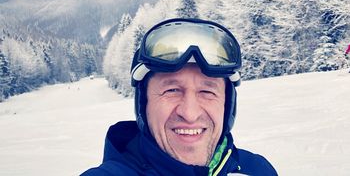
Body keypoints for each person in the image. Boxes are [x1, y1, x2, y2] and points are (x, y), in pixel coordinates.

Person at [81, 18, 278, 176]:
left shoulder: (258, 170)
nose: (190, 114)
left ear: (228, 106)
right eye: (171, 90)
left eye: (207, 92)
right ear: (144, 106)